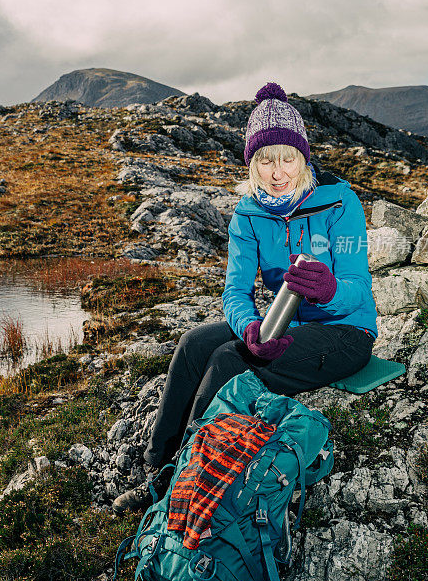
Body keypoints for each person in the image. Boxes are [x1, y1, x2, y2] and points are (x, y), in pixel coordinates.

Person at [112, 82, 377, 515]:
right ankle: (157, 469)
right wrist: (250, 328)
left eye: (287, 158)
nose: (278, 172)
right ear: (252, 163)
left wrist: (328, 290)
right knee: (195, 344)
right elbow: (235, 292)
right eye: (266, 160)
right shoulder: (248, 214)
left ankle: (181, 483)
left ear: (303, 157)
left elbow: (357, 291)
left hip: (345, 331)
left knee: (229, 362)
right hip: (289, 323)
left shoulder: (339, 203)